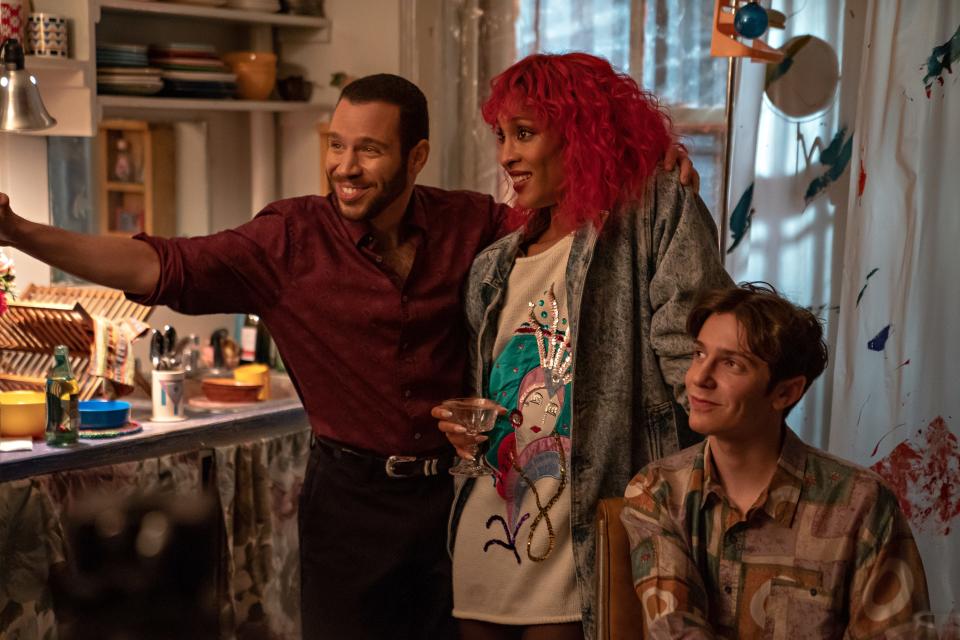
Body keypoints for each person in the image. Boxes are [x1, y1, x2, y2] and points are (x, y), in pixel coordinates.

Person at [0, 73, 698, 639]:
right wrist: (19, 231)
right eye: (336, 146)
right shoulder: (286, 241)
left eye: (367, 149)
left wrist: (652, 168)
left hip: (457, 505)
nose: (344, 166)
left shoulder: (476, 225)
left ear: (416, 156)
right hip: (349, 506)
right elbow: (157, 264)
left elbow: (571, 206)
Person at [433, 53, 731, 640]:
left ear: (582, 132)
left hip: (591, 524)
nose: (506, 156)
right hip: (490, 522)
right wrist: (459, 427)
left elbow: (694, 361)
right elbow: (484, 392)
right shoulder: (493, 266)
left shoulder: (652, 215)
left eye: (525, 134)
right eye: (500, 136)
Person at [620, 283, 929, 639]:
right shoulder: (657, 491)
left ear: (786, 392)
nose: (698, 378)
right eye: (699, 354)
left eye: (731, 363)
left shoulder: (863, 504)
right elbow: (674, 630)